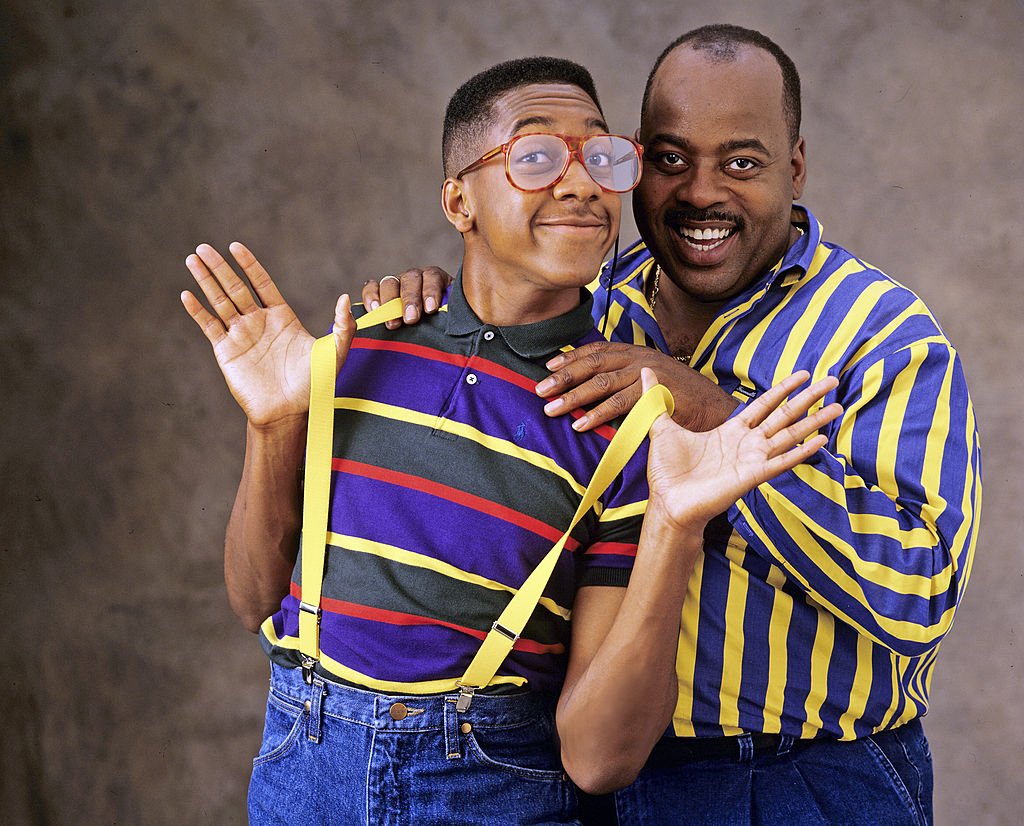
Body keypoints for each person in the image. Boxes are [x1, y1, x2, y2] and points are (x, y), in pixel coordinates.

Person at [181, 56, 840, 825]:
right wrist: (272, 426)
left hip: (493, 793)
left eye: (601, 156)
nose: (582, 183)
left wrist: (676, 526)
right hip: (302, 778)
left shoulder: (621, 421)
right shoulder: (358, 350)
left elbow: (598, 761)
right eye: (535, 157)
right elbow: (255, 595)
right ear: (459, 200)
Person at [366, 25, 981, 826]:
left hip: (805, 781)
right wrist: (432, 305)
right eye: (669, 158)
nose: (700, 192)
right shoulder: (590, 305)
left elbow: (920, 591)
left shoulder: (883, 333)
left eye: (742, 162)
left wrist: (717, 419)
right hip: (590, 776)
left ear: (795, 167)